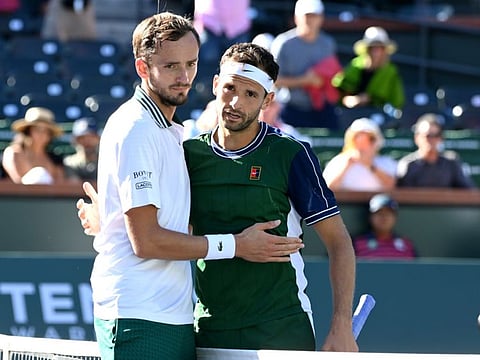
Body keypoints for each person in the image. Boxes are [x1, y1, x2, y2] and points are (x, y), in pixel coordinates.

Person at [78, 42, 358, 352]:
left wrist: (341, 325)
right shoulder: (188, 152)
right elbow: (157, 221)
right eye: (229, 88)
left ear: (268, 100)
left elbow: (339, 242)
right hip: (208, 329)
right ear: (214, 85)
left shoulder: (291, 154)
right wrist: (109, 218)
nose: (235, 102)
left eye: (251, 94)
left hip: (281, 328)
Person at [270, 0, 342, 130]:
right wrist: (305, 80)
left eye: (314, 16)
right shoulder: (283, 44)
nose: (310, 20)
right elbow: (273, 81)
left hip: (322, 108)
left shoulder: (328, 43)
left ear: (321, 18)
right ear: (296, 18)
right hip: (291, 108)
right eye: (306, 16)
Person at [332, 26, 405, 112]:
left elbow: (396, 102)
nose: (376, 53)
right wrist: (348, 100)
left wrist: (369, 99)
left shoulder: (390, 72)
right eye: (372, 48)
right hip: (350, 114)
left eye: (380, 48)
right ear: (367, 50)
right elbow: (340, 91)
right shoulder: (355, 65)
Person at [193, 0, 251, 105]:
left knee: (237, 69)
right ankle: (204, 105)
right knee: (206, 70)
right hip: (209, 24)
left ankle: (231, 102)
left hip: (237, 25)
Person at [396, 113, 476, 188]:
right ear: (417, 138)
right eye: (427, 136)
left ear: (441, 138)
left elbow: (469, 190)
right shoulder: (408, 165)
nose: (432, 140)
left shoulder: (451, 163)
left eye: (436, 135)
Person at [322, 117, 397, 191]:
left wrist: (371, 166)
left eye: (370, 139)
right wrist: (347, 166)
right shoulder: (338, 162)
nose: (362, 142)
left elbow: (392, 186)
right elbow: (328, 189)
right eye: (357, 137)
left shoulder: (386, 162)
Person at [2, 107, 66, 185]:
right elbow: (17, 182)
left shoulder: (55, 159)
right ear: (28, 131)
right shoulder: (13, 153)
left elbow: (60, 185)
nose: (42, 134)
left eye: (46, 131)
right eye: (37, 129)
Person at [353, 193, 416, 259]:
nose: (384, 217)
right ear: (370, 217)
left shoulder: (407, 245)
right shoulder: (357, 244)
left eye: (388, 214)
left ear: (395, 217)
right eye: (379, 213)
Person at [63, 117, 100, 182]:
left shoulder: (107, 161)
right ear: (74, 141)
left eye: (91, 137)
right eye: (82, 138)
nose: (87, 142)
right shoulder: (70, 163)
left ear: (98, 139)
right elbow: (74, 187)